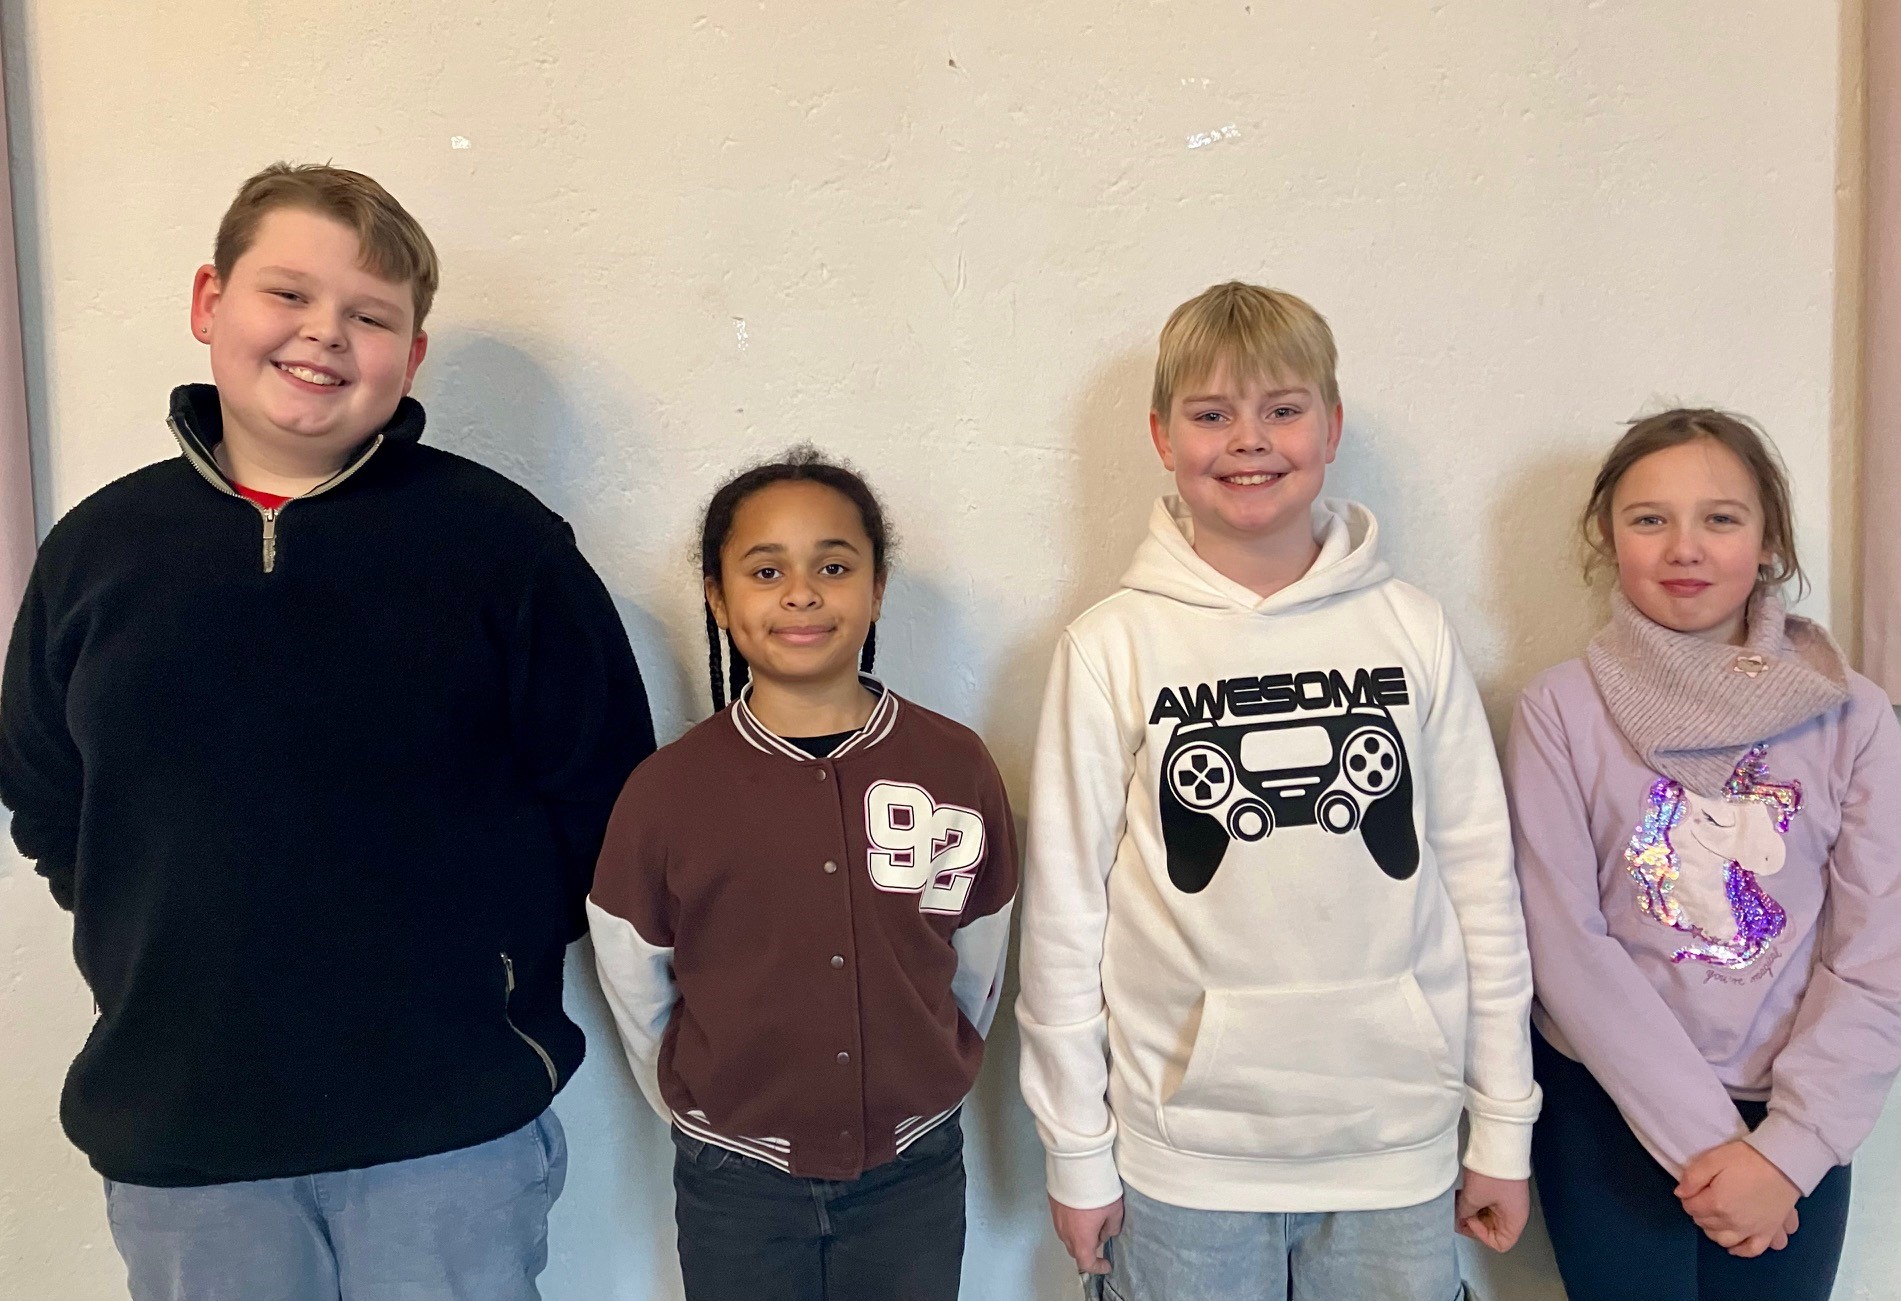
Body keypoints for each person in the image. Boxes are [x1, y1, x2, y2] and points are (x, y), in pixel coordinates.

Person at [0, 162, 654, 1301]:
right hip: (186, 1136)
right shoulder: (96, 554)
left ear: (413, 355)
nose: (324, 334)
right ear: (210, 303)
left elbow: (609, 802)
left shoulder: (502, 548)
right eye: (288, 294)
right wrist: (158, 934)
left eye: (370, 315)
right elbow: (49, 798)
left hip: (447, 1130)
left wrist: (490, 963)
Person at [1015, 280, 1540, 1300]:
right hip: (1186, 1154)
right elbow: (1065, 915)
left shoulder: (1411, 629)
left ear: (1330, 427)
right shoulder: (1112, 646)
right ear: (1162, 436)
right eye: (1211, 414)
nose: (1248, 440)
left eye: (1282, 409)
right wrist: (1075, 1148)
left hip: (1394, 1139)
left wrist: (1502, 1124)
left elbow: (1482, 884)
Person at [586, 447, 1018, 1301]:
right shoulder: (667, 790)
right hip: (736, 1186)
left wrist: (925, 1073)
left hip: (914, 1170)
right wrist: (710, 1112)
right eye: (765, 570)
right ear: (717, 597)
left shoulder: (954, 764)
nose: (801, 593)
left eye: (832, 566)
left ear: (877, 587)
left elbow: (978, 956)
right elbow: (636, 982)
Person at [1507, 408, 1901, 1301]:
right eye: (1649, 518)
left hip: (1793, 1125)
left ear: (1769, 542)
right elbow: (1563, 944)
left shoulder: (1854, 716)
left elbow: (1877, 950)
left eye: (1719, 518)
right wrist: (1706, 1146)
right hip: (1605, 1105)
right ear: (1606, 535)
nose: (1683, 546)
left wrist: (1787, 1151)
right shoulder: (1560, 710)